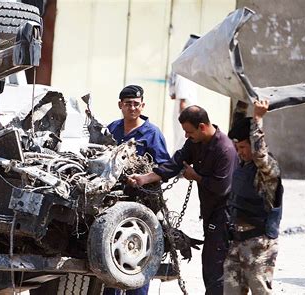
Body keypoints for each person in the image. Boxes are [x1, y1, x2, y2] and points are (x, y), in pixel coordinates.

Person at [128, 105, 238, 295]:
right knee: (211, 265)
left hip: (226, 215)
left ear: (202, 127)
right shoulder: (196, 142)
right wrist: (145, 178)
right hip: (211, 214)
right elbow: (175, 162)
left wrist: (196, 177)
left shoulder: (225, 149)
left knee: (216, 267)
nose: (186, 136)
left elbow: (222, 188)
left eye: (189, 131)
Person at [104, 85, 170, 295]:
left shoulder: (152, 134)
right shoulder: (111, 129)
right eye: (128, 104)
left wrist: (143, 179)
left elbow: (165, 168)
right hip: (109, 203)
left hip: (140, 207)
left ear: (142, 105)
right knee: (108, 258)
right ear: (120, 105)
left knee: (137, 258)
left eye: (136, 104)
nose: (132, 108)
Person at [223, 99, 282, 294]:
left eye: (243, 148)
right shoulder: (243, 165)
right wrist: (240, 104)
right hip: (237, 242)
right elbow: (236, 133)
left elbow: (258, 153)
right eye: (238, 149)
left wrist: (258, 118)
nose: (240, 153)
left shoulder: (267, 169)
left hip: (259, 245)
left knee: (260, 290)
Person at [169, 34, 200, 151]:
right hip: (185, 113)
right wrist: (187, 120)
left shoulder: (186, 68)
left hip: (185, 113)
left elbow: (173, 94)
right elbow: (182, 100)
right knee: (182, 142)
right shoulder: (185, 69)